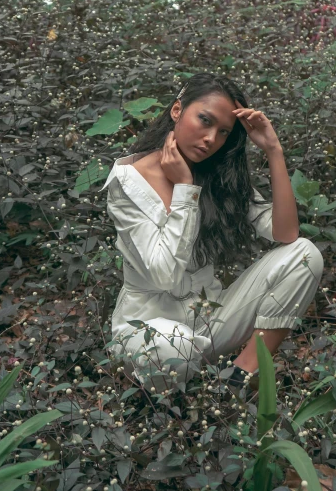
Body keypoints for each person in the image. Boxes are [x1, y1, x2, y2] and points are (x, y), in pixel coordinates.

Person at [101, 73, 323, 393]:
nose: (210, 139)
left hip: (211, 319)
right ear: (177, 110)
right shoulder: (128, 182)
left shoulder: (217, 174)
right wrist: (185, 191)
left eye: (223, 132)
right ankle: (174, 386)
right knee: (172, 347)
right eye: (204, 120)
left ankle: (236, 379)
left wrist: (274, 150)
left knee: (305, 255)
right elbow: (163, 276)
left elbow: (286, 234)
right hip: (148, 332)